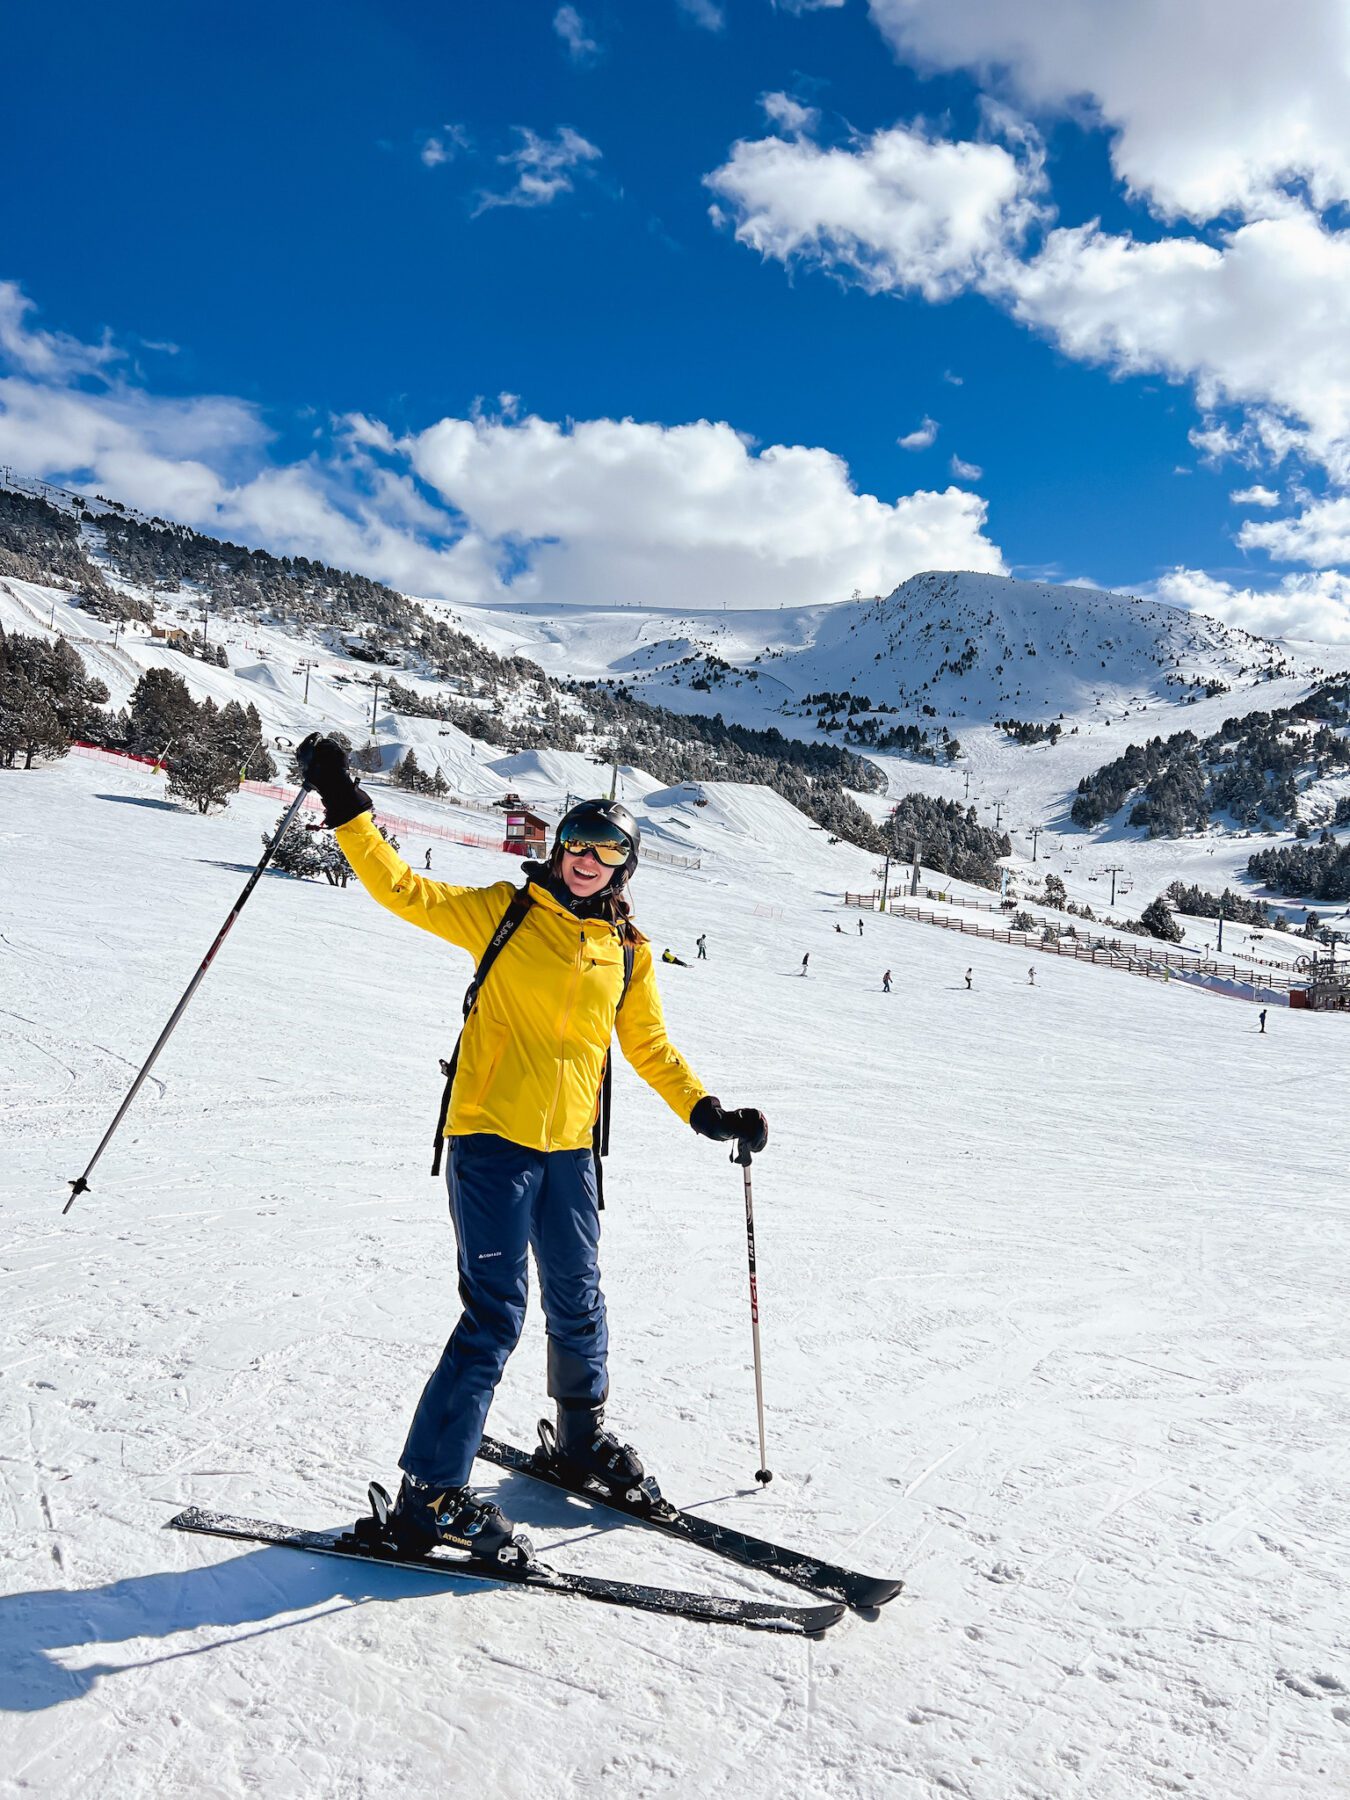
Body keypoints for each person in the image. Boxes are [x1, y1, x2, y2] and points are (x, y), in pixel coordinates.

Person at [295, 734, 767, 1563]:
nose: (588, 859)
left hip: (572, 1154)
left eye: (608, 849)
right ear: (557, 849)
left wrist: (708, 1113)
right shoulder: (502, 915)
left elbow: (649, 1045)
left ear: (626, 866)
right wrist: (345, 801)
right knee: (495, 1315)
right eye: (578, 843)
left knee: (580, 1300)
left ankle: (580, 1442)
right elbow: (402, 889)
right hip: (492, 1143)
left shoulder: (626, 952)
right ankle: (430, 1494)